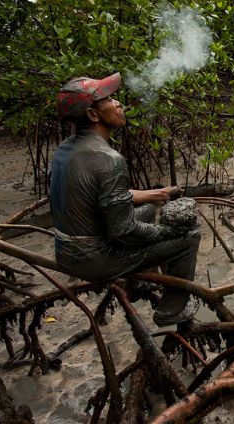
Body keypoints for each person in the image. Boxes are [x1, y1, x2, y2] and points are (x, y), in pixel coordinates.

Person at [51, 72, 200, 327]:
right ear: (93, 115)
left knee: (146, 209)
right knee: (188, 238)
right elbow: (123, 231)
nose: (119, 103)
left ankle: (139, 283)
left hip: (65, 252)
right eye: (109, 99)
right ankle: (171, 310)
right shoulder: (109, 160)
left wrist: (157, 194)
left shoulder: (65, 149)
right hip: (93, 260)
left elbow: (106, 199)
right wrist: (167, 230)